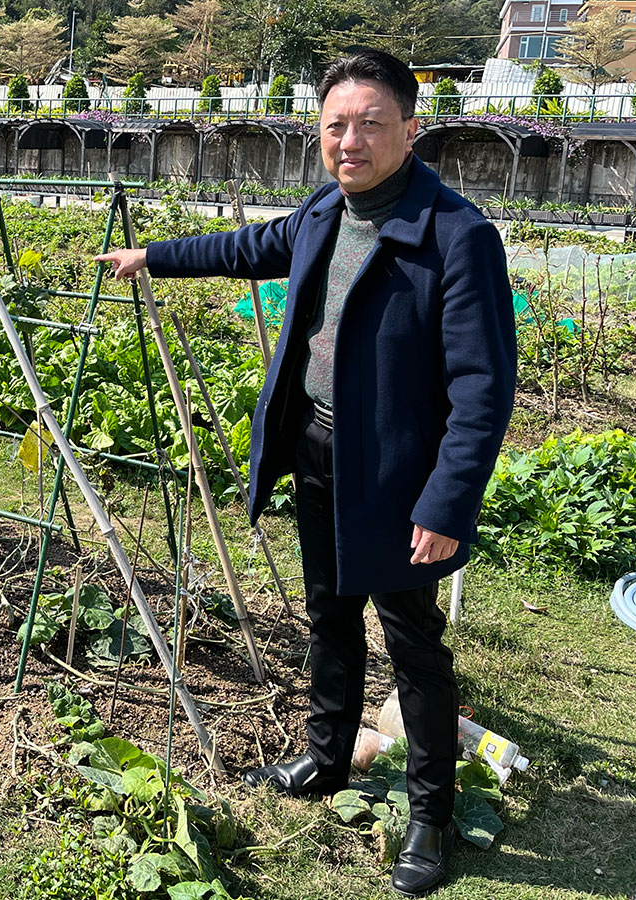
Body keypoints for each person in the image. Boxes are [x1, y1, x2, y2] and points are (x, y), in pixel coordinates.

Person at [95, 48, 516, 897]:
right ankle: (327, 761)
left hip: (400, 481)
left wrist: (446, 502)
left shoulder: (455, 236)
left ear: (409, 130)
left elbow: (483, 392)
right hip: (318, 450)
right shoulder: (329, 208)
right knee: (328, 615)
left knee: (412, 647)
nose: (350, 141)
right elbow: (253, 244)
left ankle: (430, 816)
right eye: (336, 126)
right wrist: (157, 257)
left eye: (370, 124)